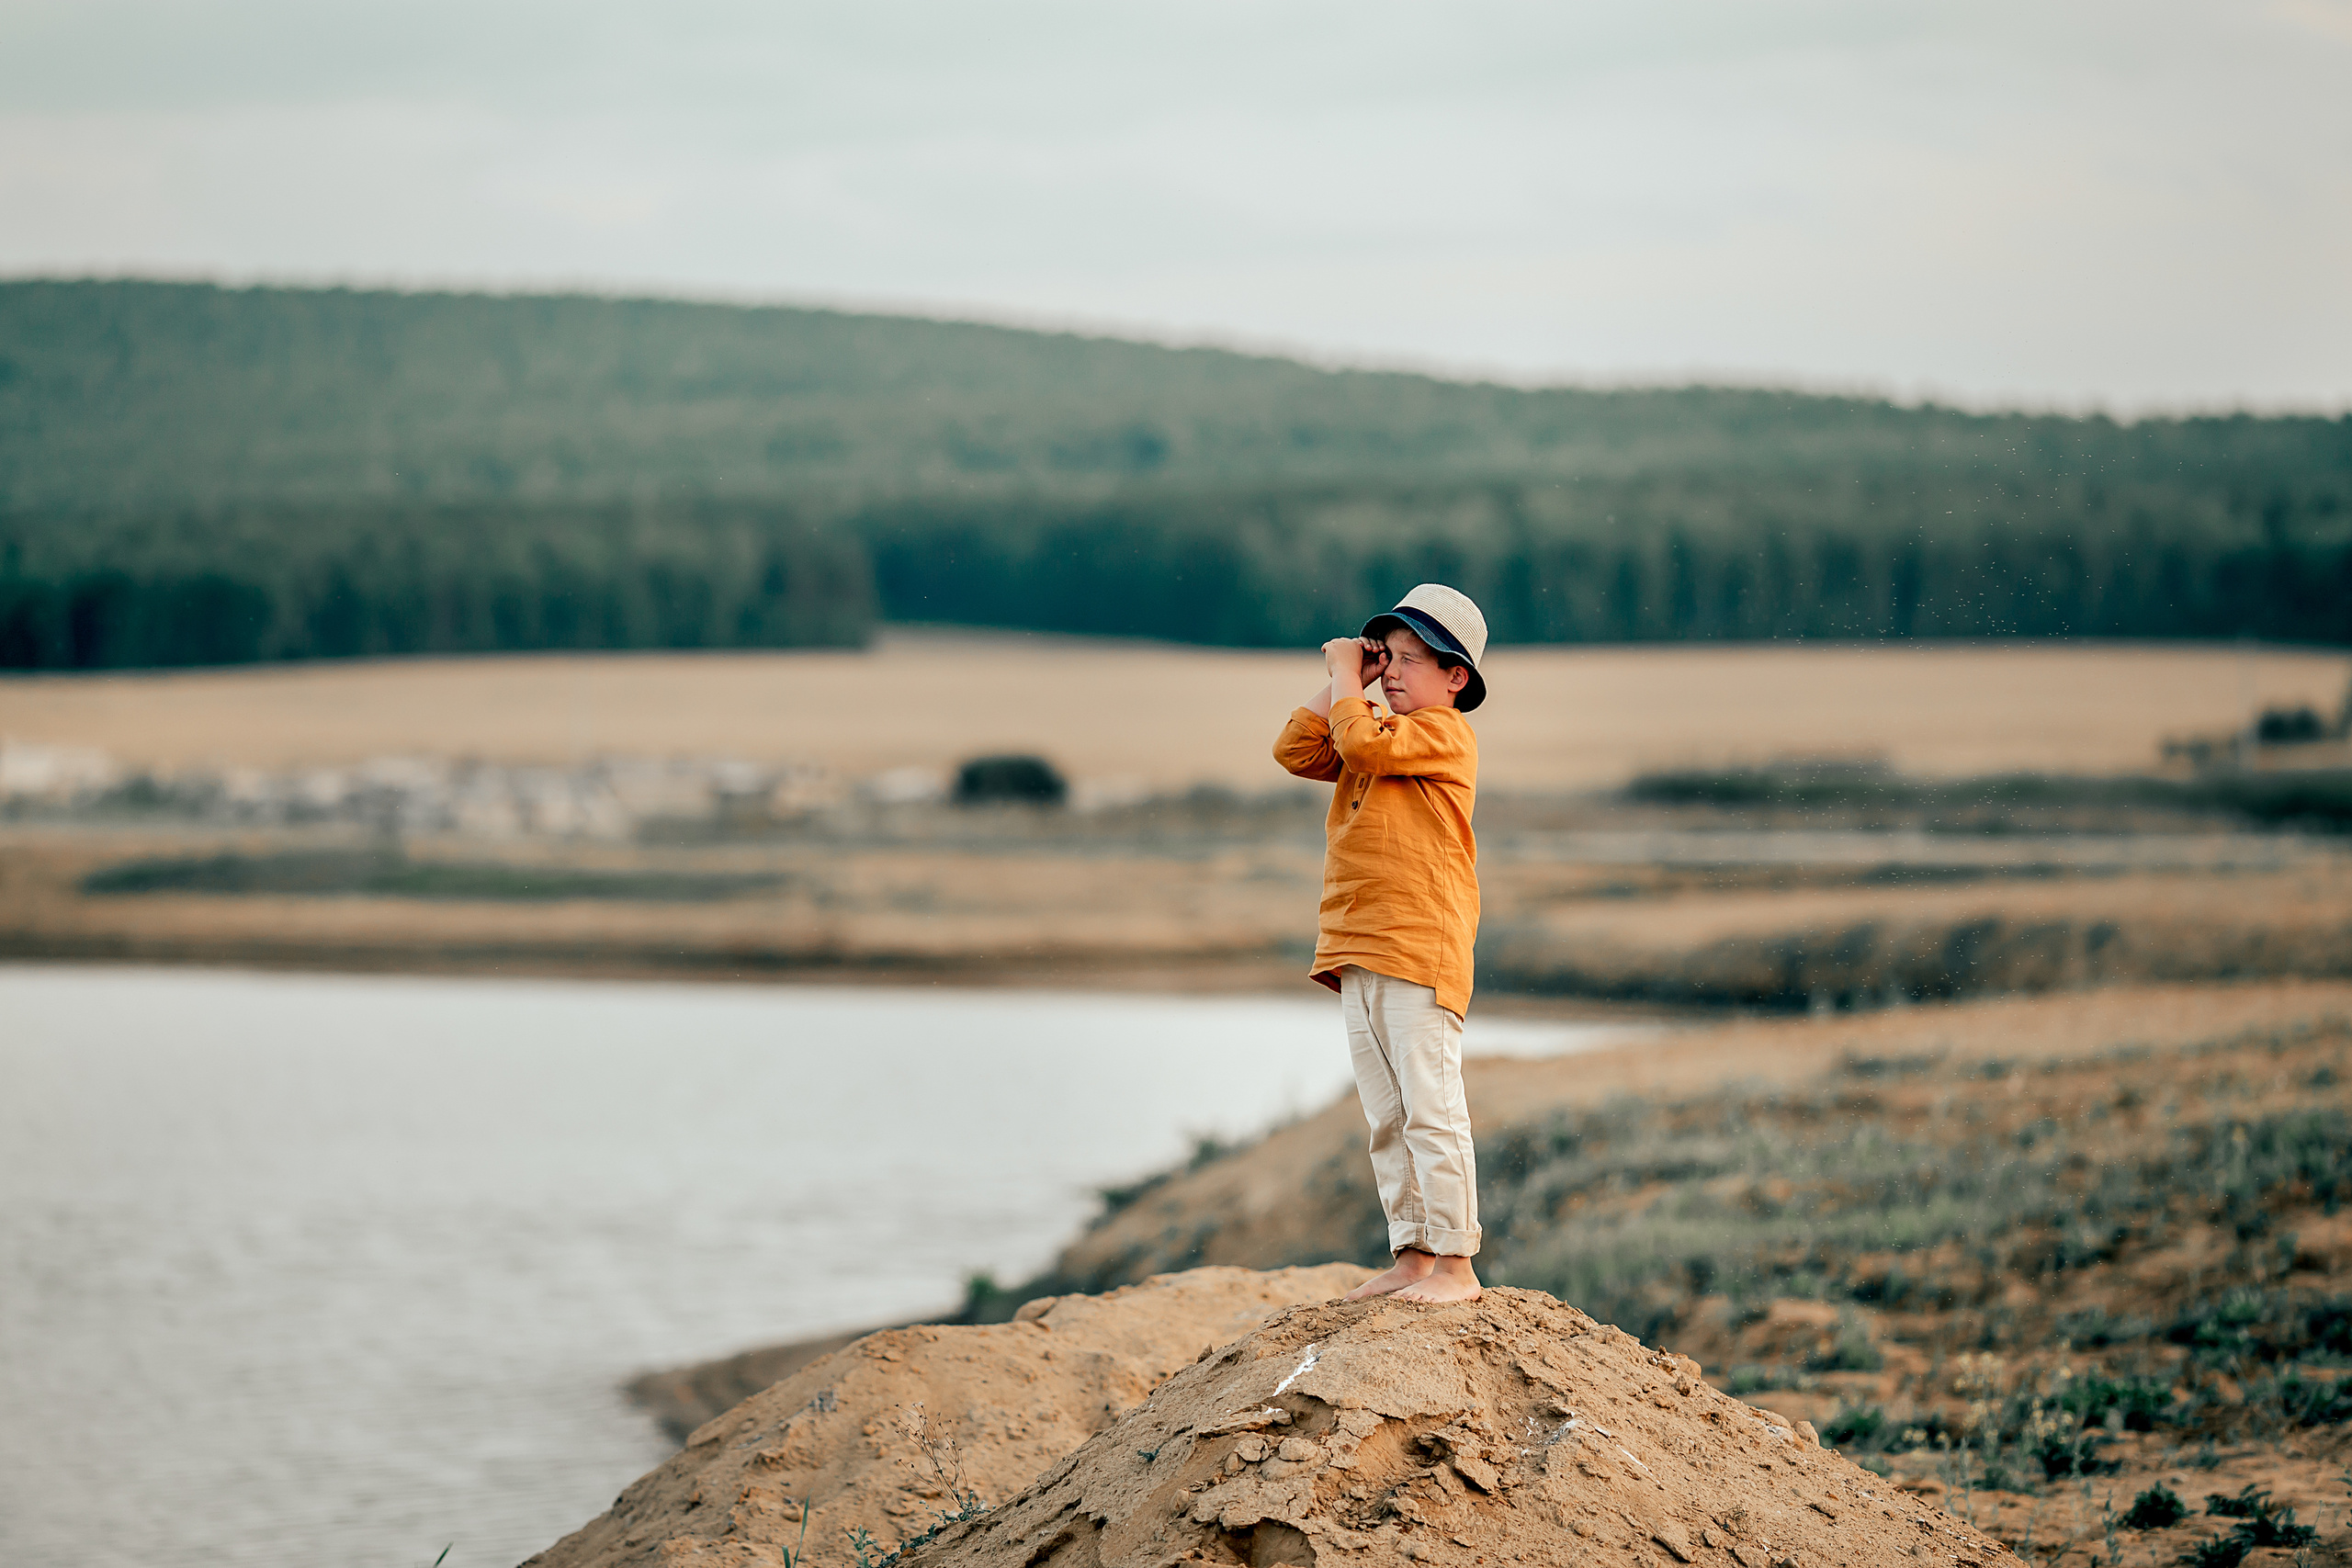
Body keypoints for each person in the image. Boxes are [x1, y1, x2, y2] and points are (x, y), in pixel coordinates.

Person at [1272, 583, 1489, 1304]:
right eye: (1383, 657)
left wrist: (1345, 681)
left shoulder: (1439, 734)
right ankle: (1413, 1253)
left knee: (1433, 1108)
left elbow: (1360, 738)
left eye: (1411, 659)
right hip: (1360, 949)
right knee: (1388, 1117)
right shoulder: (1376, 740)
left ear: (1456, 677)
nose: (1390, 672)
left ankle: (1457, 1263)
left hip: (1418, 948)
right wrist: (1345, 680)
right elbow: (1297, 748)